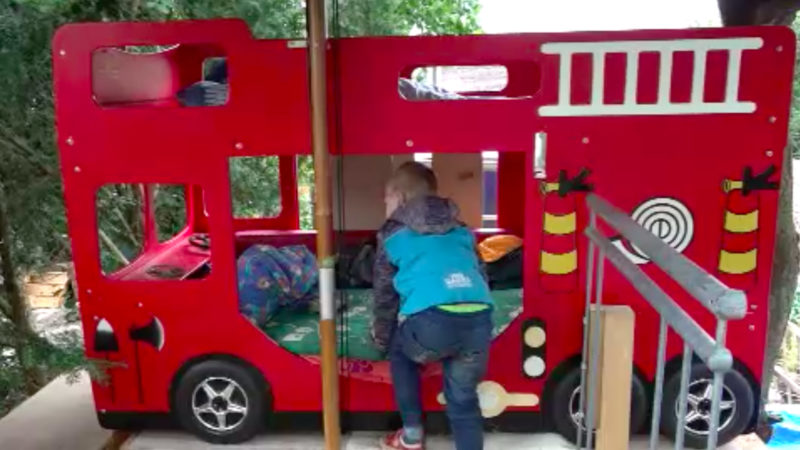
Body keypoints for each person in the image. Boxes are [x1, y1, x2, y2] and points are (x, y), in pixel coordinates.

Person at [372, 162, 493, 450]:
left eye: (386, 197)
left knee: (399, 352)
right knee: (463, 401)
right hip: (479, 317)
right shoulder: (463, 230)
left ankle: (412, 435)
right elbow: (482, 274)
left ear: (400, 198)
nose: (384, 203)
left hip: (431, 321)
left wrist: (381, 333)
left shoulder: (391, 235)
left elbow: (385, 293)